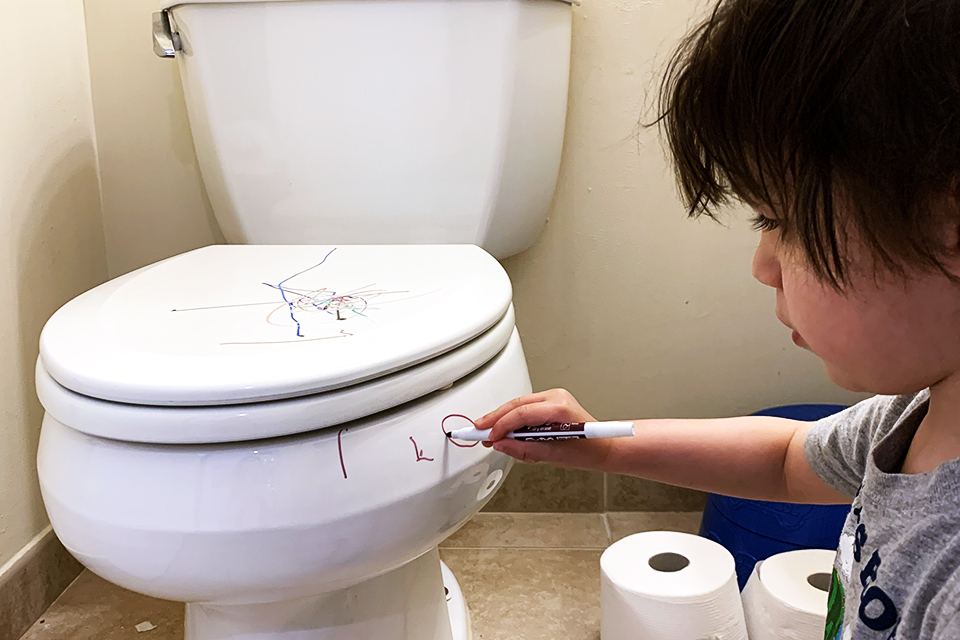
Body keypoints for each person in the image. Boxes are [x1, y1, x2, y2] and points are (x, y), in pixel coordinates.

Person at [473, 1, 960, 638]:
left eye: (778, 221)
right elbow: (787, 456)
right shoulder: (917, 412)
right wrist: (600, 443)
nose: (763, 265)